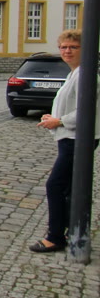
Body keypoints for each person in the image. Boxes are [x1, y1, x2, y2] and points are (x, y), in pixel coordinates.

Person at [31, 30, 100, 253]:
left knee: (55, 185)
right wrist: (53, 117)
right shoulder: (75, 73)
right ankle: (72, 229)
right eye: (63, 47)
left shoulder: (85, 74)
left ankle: (55, 236)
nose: (67, 51)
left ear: (84, 49)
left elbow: (87, 110)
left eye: (73, 47)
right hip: (70, 137)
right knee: (69, 187)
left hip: (77, 138)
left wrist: (59, 121)